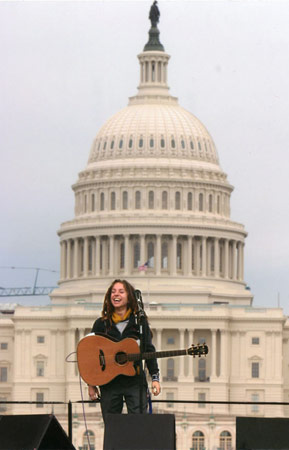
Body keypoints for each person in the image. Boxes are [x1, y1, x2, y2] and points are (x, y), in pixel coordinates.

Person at [88, 279, 161, 420]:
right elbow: (90, 354)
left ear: (129, 297)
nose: (116, 295)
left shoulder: (139, 323)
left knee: (138, 424)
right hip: (109, 383)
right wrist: (91, 384)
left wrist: (155, 377)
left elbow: (149, 350)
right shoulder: (101, 324)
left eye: (121, 292)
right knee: (112, 426)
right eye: (113, 292)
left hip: (134, 382)